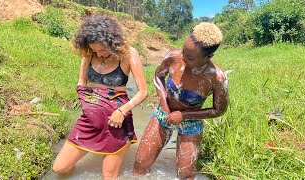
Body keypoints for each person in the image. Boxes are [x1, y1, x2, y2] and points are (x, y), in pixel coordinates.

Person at [52, 15, 148, 179]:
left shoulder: (128, 53)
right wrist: (86, 105)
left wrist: (122, 111)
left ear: (112, 41)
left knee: (108, 176)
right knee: (60, 168)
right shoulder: (89, 54)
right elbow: (82, 82)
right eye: (95, 50)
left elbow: (143, 92)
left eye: (102, 49)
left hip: (116, 121)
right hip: (89, 119)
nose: (99, 54)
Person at [133, 22, 229, 180]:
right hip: (164, 114)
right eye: (183, 51)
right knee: (140, 164)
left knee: (185, 175)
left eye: (190, 57)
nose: (183, 58)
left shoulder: (217, 77)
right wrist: (164, 107)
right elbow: (158, 77)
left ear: (208, 57)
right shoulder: (173, 57)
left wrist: (184, 115)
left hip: (191, 122)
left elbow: (219, 110)